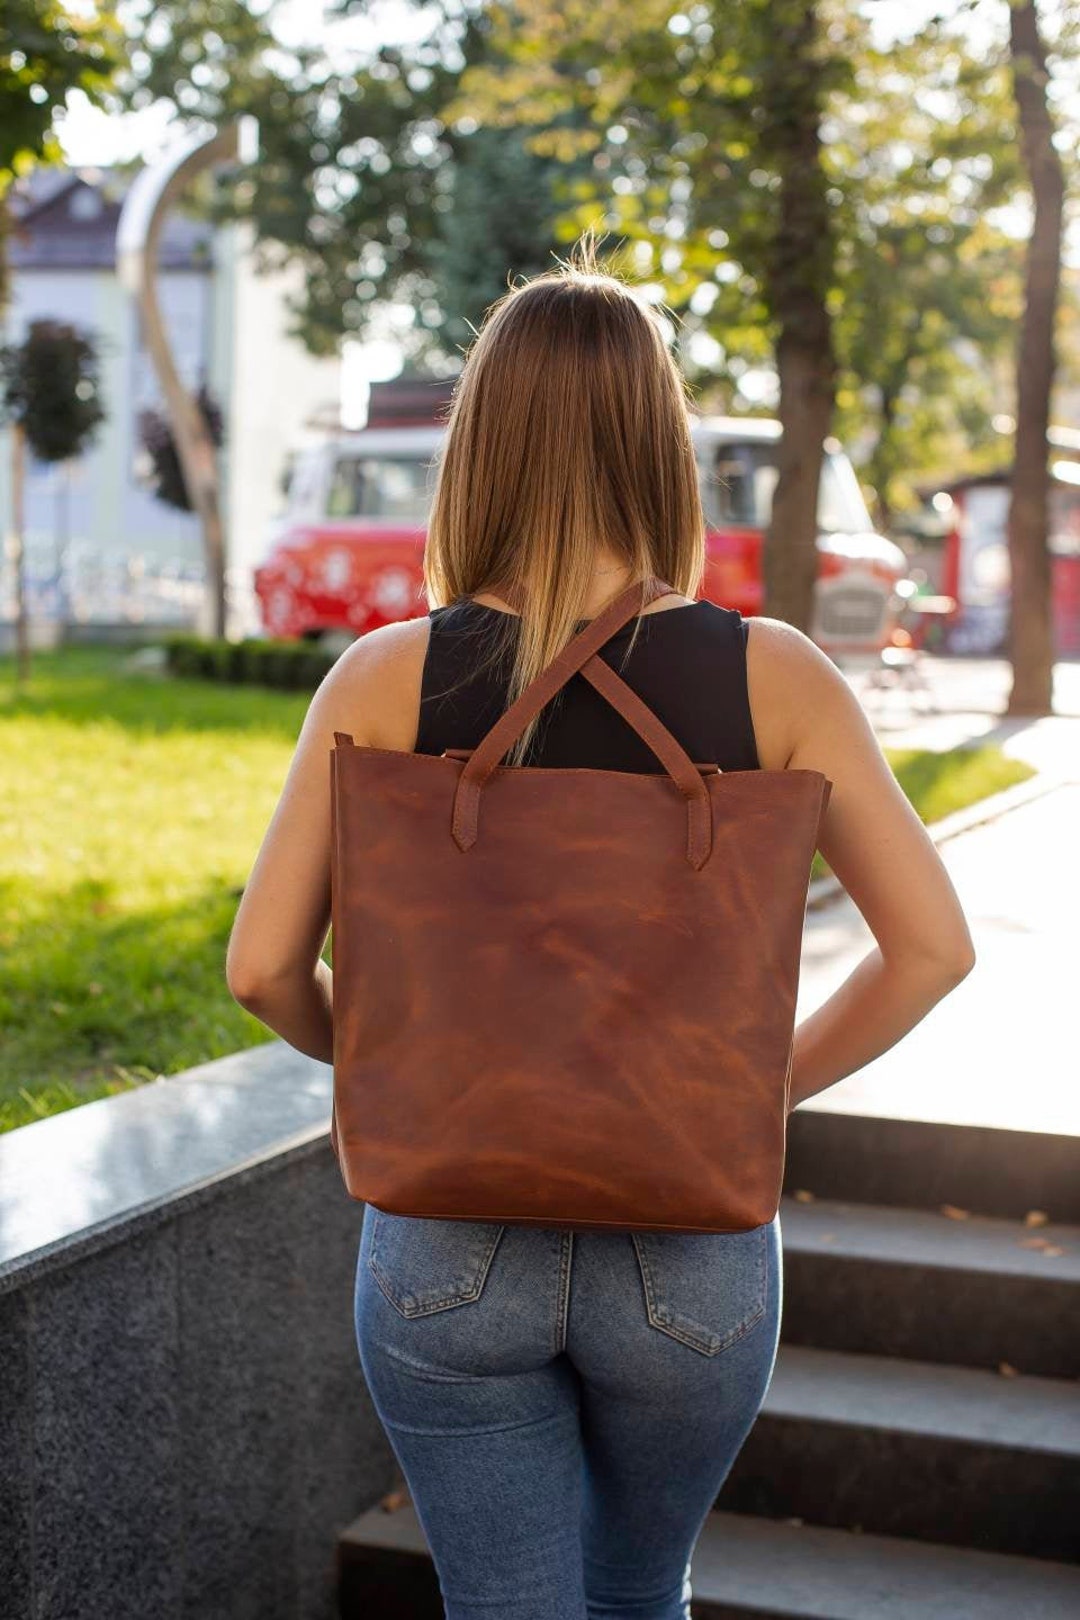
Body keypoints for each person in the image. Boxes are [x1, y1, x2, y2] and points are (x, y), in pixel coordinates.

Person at [225, 234, 976, 1620]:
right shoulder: (780, 679)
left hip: (447, 1240)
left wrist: (385, 1068)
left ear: (481, 451)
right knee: (642, 1598)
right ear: (660, 447)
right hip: (691, 1252)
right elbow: (934, 948)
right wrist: (755, 1090)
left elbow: (262, 967)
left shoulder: (384, 680)